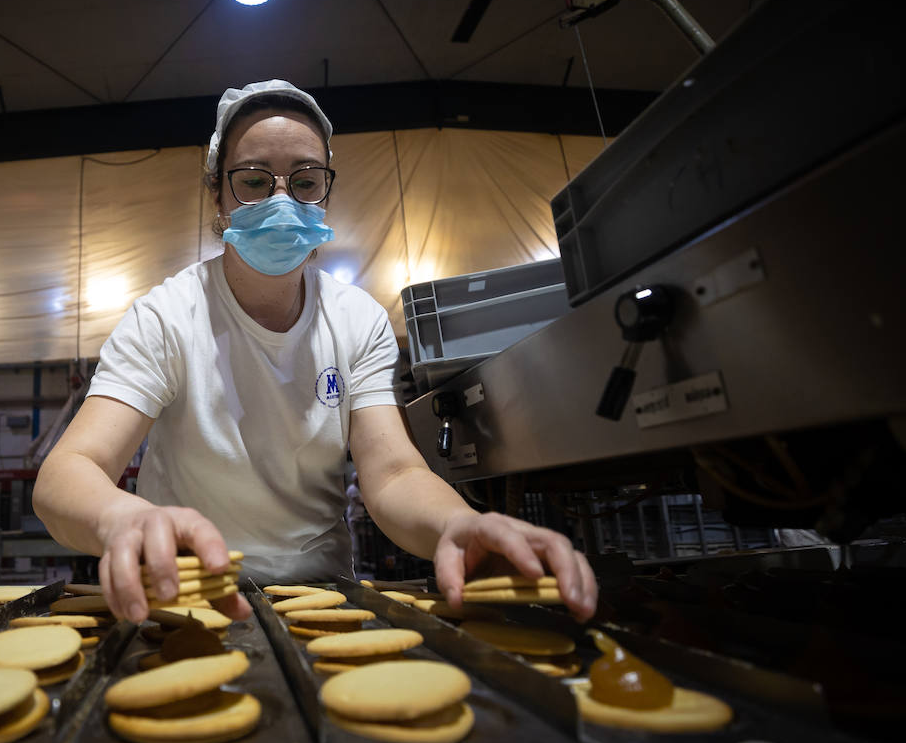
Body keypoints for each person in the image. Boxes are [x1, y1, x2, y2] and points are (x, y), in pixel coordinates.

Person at [34, 78, 597, 625]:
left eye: (305, 180)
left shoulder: (356, 321)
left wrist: (457, 523)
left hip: (320, 598)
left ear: (326, 189)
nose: (282, 199)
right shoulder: (166, 318)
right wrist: (120, 519)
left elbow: (394, 473)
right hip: (191, 598)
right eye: (253, 181)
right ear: (216, 193)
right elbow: (68, 473)